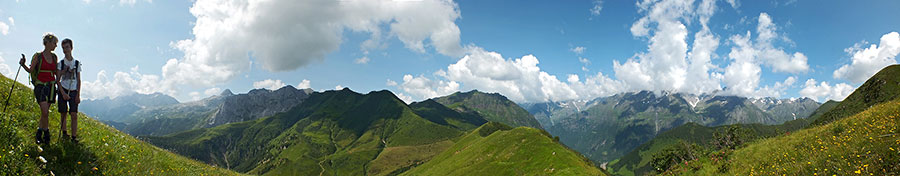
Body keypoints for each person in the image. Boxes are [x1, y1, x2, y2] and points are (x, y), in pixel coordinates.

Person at [19, 33, 58, 145]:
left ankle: (39, 133)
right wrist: (23, 64)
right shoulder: (38, 56)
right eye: (54, 43)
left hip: (51, 86)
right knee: (45, 111)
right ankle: (46, 133)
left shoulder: (54, 57)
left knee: (44, 113)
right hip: (40, 85)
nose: (55, 46)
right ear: (48, 43)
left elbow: (55, 72)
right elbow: (31, 70)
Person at [57, 38, 82, 143]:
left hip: (73, 91)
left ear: (71, 48)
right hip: (63, 89)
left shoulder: (76, 63)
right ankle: (64, 133)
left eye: (67, 47)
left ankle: (74, 137)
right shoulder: (61, 63)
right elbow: (57, 80)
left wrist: (78, 95)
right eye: (63, 48)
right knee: (63, 113)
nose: (65, 50)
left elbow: (79, 80)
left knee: (74, 114)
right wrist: (63, 93)